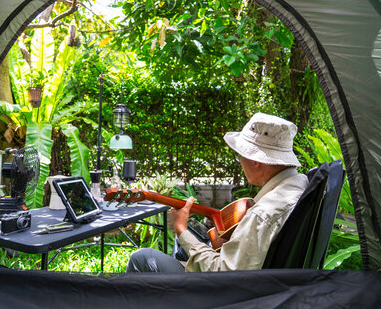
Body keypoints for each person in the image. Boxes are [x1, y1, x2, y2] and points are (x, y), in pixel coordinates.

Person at [126, 113, 309, 273]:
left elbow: (222, 272)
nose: (240, 161)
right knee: (192, 242)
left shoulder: (262, 215)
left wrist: (181, 230)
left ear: (256, 161)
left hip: (224, 293)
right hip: (275, 282)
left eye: (240, 155)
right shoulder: (300, 184)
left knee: (142, 258)